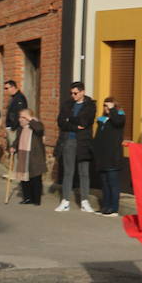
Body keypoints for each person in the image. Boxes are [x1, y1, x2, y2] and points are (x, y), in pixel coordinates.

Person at [56, 82, 97, 213]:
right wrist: (73, 125)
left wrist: (70, 119)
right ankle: (65, 201)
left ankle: (85, 201)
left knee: (84, 172)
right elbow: (61, 122)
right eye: (71, 93)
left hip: (84, 142)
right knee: (68, 172)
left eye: (75, 93)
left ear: (82, 92)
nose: (73, 95)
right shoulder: (67, 104)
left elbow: (85, 122)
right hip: (69, 140)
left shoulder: (90, 105)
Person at [93, 96, 127, 216]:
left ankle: (114, 208)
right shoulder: (102, 120)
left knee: (113, 183)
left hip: (113, 156)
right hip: (102, 157)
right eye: (105, 105)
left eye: (109, 105)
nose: (106, 108)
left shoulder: (120, 116)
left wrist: (113, 110)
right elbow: (98, 138)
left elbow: (118, 122)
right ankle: (105, 207)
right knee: (105, 183)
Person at [12, 109, 47, 206]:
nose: (20, 119)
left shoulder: (36, 125)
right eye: (20, 117)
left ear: (29, 117)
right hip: (23, 154)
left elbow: (39, 129)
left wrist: (30, 120)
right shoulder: (20, 128)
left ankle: (36, 199)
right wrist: (13, 146)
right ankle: (27, 198)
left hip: (35, 155)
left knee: (35, 177)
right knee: (24, 178)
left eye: (23, 117)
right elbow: (17, 139)